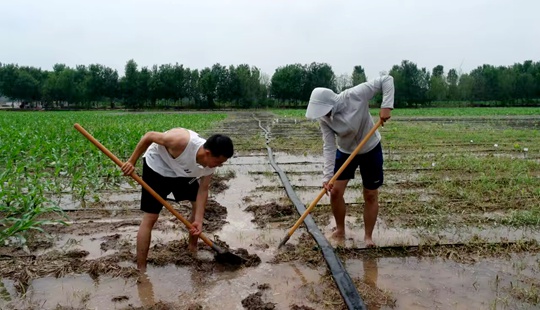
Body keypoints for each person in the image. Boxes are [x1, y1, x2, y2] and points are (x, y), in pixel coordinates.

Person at [121, 128, 234, 271]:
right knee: (151, 216)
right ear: (207, 153)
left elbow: (203, 190)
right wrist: (131, 162)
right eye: (218, 162)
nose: (218, 166)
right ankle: (141, 268)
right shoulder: (180, 141)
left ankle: (192, 249)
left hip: (183, 173)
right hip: (157, 167)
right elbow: (149, 136)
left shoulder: (209, 164)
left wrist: (198, 221)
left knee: (195, 204)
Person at [305, 74, 394, 248]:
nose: (324, 116)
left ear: (330, 103)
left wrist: (387, 106)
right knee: (335, 192)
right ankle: (340, 230)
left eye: (324, 111)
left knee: (370, 194)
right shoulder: (324, 119)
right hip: (345, 151)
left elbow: (386, 79)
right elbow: (329, 146)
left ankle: (368, 237)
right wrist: (327, 176)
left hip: (370, 148)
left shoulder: (355, 95)